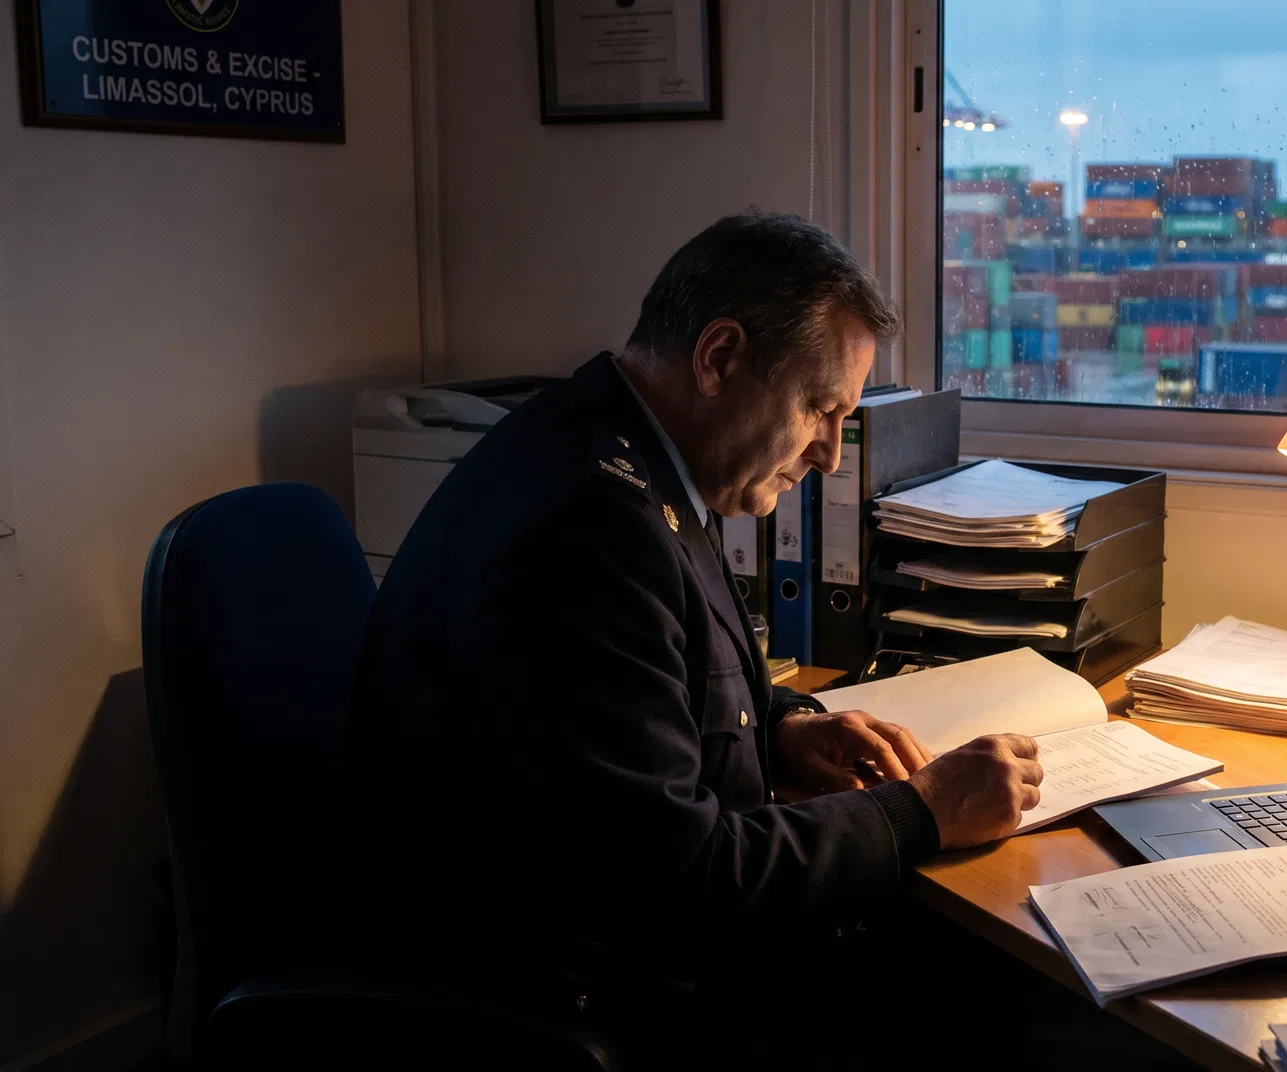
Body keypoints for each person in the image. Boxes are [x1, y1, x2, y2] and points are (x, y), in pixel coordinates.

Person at [342, 212, 1046, 1056]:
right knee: (1006, 1006)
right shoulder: (588, 530)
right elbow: (677, 885)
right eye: (820, 409)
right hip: (573, 994)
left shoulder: (627, 450)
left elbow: (669, 681)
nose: (830, 452)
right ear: (718, 359)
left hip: (606, 936)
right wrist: (918, 813)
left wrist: (786, 728)